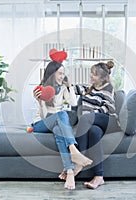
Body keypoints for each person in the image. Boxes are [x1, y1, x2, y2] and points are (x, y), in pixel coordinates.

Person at [32, 59, 92, 190]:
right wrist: (40, 101)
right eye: (60, 73)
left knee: (60, 129)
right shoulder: (41, 88)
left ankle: (69, 172)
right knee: (62, 114)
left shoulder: (63, 87)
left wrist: (70, 86)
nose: (62, 76)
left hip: (57, 123)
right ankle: (74, 151)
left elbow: (73, 103)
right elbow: (43, 116)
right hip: (40, 124)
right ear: (52, 73)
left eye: (64, 73)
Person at [74, 60, 121, 189]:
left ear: (102, 77)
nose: (90, 76)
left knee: (85, 118)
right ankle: (99, 177)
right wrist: (64, 82)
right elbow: (74, 88)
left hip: (108, 121)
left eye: (93, 74)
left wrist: (90, 116)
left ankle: (79, 159)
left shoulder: (108, 88)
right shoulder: (90, 89)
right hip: (95, 123)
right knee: (93, 132)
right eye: (91, 73)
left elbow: (108, 108)